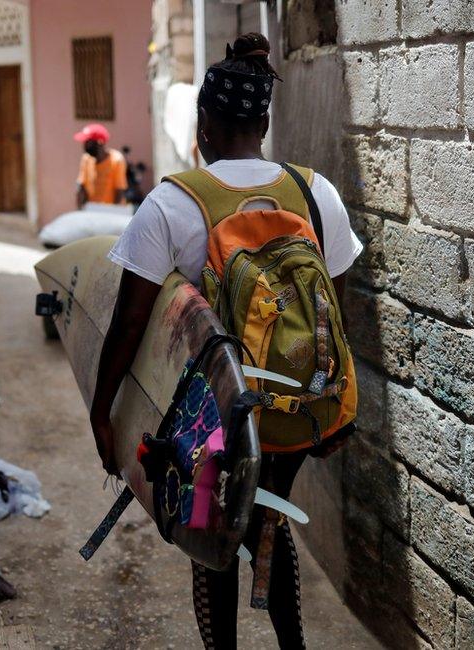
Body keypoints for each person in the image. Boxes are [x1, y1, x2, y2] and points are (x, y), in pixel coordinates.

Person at [89, 33, 362, 650]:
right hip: (295, 412)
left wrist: (102, 412)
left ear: (204, 125)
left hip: (217, 417)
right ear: (263, 121)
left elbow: (129, 325)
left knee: (211, 542)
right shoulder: (317, 195)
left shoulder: (171, 205)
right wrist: (327, 404)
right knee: (266, 518)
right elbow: (331, 316)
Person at [74, 123, 128, 208]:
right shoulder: (86, 159)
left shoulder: (116, 160)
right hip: (91, 212)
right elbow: (81, 186)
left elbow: (119, 191)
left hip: (110, 213)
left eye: (88, 142)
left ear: (99, 142)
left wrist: (112, 213)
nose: (84, 145)